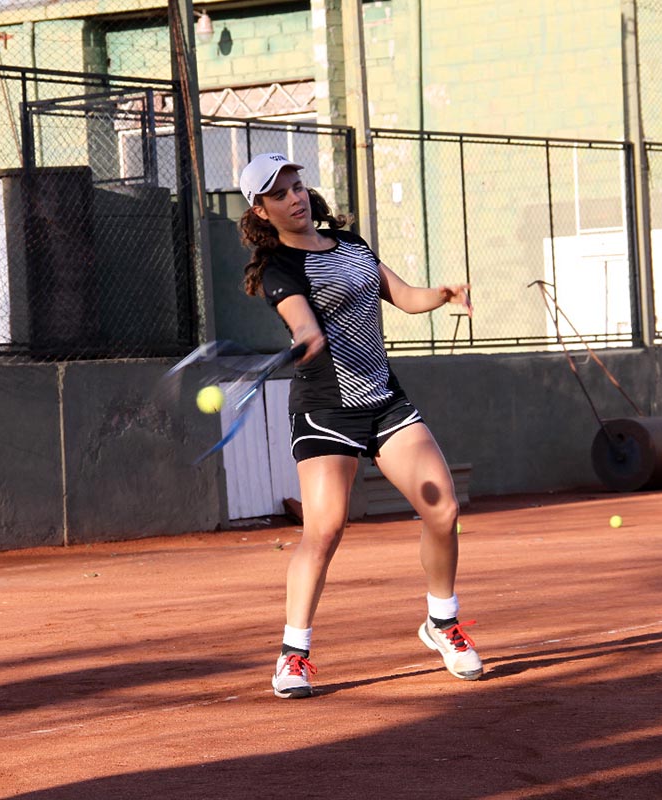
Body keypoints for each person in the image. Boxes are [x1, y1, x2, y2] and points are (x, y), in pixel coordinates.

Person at [236, 152, 482, 699]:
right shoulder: (280, 269)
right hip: (326, 408)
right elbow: (300, 320)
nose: (295, 198)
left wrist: (441, 294)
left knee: (443, 508)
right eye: (279, 194)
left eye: (296, 186)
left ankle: (441, 622)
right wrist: (308, 335)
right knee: (324, 529)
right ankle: (293, 654)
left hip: (383, 400)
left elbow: (404, 297)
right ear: (261, 211)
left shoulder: (352, 246)